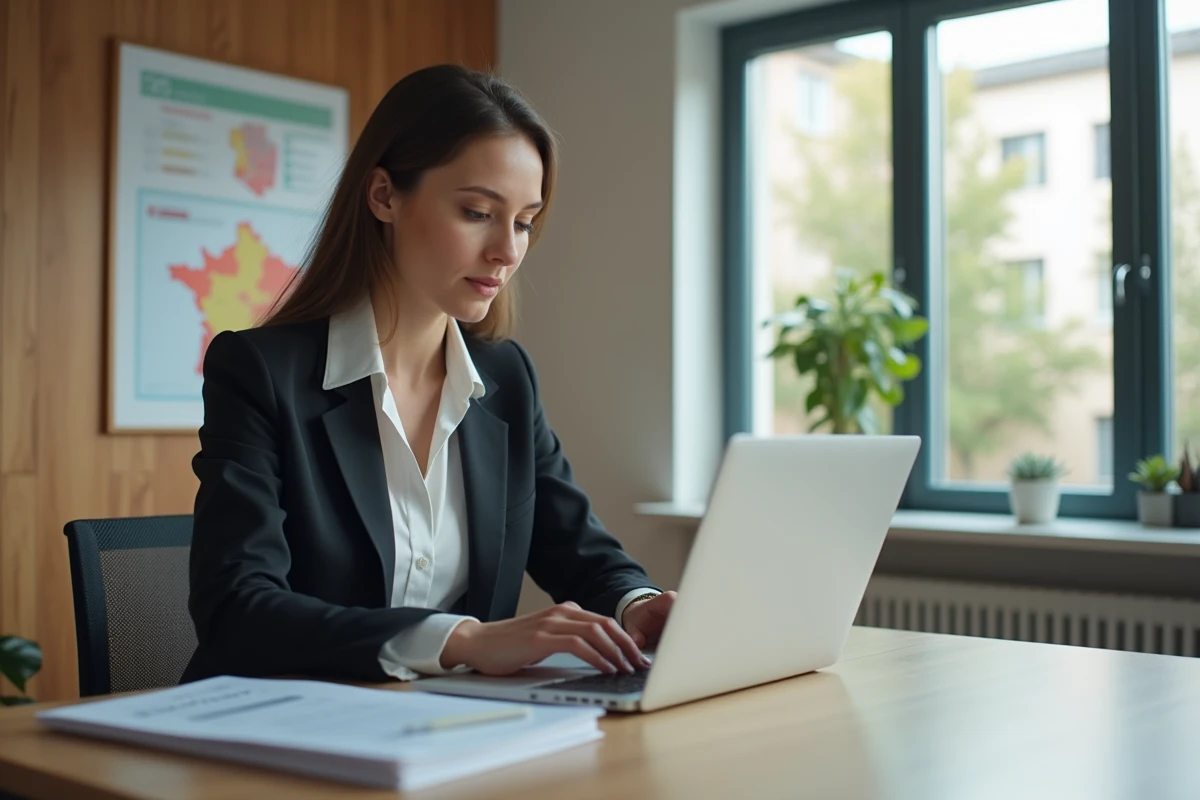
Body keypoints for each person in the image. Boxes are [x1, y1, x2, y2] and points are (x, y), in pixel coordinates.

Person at [182, 64, 675, 685]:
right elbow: (237, 609)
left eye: (524, 221)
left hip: (442, 735)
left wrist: (639, 603)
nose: (508, 250)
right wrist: (462, 639)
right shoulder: (259, 372)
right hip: (278, 731)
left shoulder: (505, 378)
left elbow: (578, 548)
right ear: (384, 195)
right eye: (477, 212)